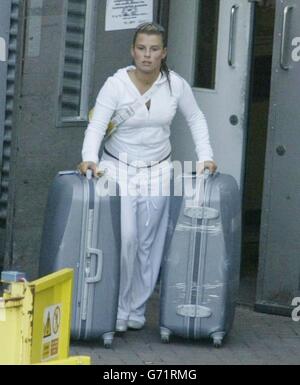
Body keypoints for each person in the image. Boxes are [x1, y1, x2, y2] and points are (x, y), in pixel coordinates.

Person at [78, 22, 217, 332]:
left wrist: (205, 155)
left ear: (163, 53)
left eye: (154, 49)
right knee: (125, 237)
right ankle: (118, 306)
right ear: (133, 50)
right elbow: (97, 126)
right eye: (141, 48)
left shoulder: (175, 85)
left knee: (148, 244)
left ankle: (136, 310)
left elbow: (195, 118)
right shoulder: (115, 84)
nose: (147, 55)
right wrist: (89, 157)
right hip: (116, 169)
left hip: (158, 169)